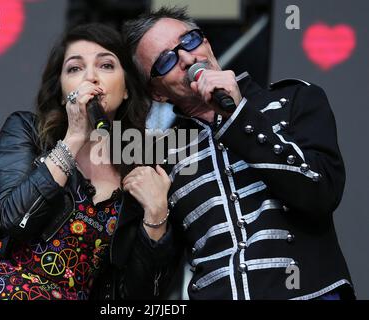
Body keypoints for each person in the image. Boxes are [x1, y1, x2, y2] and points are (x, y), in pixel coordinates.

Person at [122, 6, 355, 299]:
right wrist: (155, 217)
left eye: (190, 41)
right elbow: (152, 283)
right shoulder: (162, 154)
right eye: (166, 60)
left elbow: (321, 192)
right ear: (157, 92)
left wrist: (239, 116)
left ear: (206, 42)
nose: (185, 58)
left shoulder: (293, 100)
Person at [0, 23, 173, 300]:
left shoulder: (143, 172)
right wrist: (73, 139)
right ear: (61, 91)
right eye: (75, 68)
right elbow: (14, 220)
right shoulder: (26, 132)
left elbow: (137, 298)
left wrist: (155, 214)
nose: (90, 77)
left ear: (126, 88)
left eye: (105, 66)